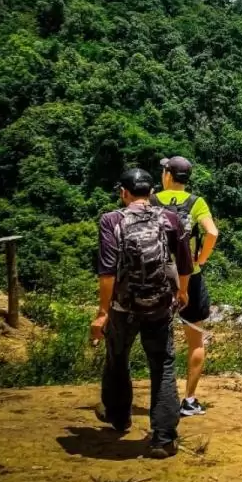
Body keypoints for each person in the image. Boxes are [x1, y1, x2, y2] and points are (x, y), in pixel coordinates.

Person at [90, 168, 193, 458]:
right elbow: (184, 262)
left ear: (123, 192)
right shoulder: (169, 218)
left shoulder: (112, 220)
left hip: (123, 306)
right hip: (160, 306)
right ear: (150, 193)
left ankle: (119, 417)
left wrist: (102, 312)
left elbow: (107, 270)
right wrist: (182, 292)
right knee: (163, 366)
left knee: (117, 358)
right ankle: (162, 438)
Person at [151, 155, 219, 417]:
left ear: (167, 175)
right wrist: (199, 259)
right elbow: (212, 233)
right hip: (191, 276)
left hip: (157, 275)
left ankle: (160, 396)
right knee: (195, 339)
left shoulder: (153, 200)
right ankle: (189, 400)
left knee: (157, 337)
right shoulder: (196, 202)